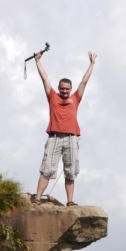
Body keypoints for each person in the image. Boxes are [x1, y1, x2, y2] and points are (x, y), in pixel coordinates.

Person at [32, 51, 97, 206]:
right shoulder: (53, 97)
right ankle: (37, 199)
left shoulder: (75, 98)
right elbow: (45, 78)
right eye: (62, 89)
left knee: (71, 170)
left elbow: (84, 81)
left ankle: (70, 201)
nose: (65, 91)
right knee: (46, 169)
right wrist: (37, 61)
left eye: (67, 89)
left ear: (71, 89)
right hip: (54, 137)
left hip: (71, 137)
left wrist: (92, 64)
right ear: (59, 88)